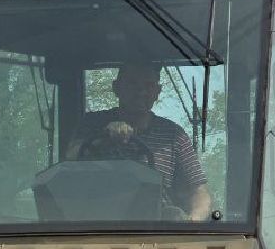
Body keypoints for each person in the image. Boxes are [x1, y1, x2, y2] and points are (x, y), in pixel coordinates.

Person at [67, 61, 213, 220]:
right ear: (116, 88)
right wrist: (103, 138)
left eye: (149, 85)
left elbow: (198, 190)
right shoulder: (92, 124)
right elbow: (69, 159)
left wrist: (194, 220)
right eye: (132, 83)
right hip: (93, 228)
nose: (141, 91)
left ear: (158, 92)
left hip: (158, 233)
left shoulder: (173, 135)